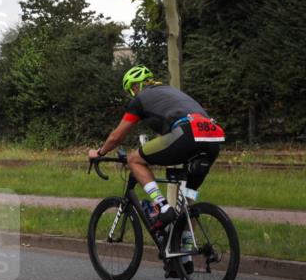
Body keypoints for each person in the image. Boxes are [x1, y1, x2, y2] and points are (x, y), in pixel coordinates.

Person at [89, 64, 224, 235]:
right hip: (213, 139)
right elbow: (165, 138)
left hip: (187, 134)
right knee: (188, 205)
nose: (133, 94)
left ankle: (162, 207)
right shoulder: (170, 92)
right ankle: (185, 258)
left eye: (131, 90)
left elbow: (117, 137)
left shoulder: (141, 98)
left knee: (134, 159)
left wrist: (99, 152)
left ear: (136, 86)